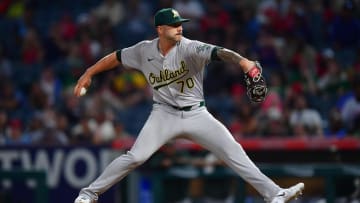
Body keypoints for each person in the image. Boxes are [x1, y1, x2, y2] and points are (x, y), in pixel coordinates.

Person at [73, 8, 304, 203]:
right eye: (174, 25)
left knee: (233, 150)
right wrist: (89, 72)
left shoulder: (191, 47)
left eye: (180, 24)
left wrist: (243, 61)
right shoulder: (143, 50)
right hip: (163, 114)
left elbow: (220, 52)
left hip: (196, 114)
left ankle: (275, 194)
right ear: (160, 30)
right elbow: (115, 56)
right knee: (135, 157)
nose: (180, 28)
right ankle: (88, 195)